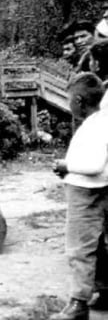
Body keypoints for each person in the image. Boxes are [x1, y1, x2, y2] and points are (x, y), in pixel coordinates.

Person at [51, 73, 108, 320]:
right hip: (96, 189)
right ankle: (104, 290)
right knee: (98, 245)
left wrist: (67, 165)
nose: (69, 104)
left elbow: (94, 164)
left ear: (80, 101)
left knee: (79, 248)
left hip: (87, 191)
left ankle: (78, 303)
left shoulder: (98, 125)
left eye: (70, 99)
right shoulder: (99, 119)